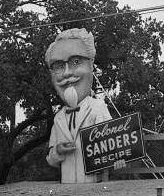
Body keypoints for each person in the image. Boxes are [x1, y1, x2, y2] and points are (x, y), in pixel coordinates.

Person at [43, 28, 116, 183]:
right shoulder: (59, 118)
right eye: (58, 66)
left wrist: (117, 159)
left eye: (76, 62)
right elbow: (51, 159)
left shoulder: (98, 108)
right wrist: (58, 151)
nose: (67, 73)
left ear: (91, 66)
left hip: (94, 188)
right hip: (67, 189)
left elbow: (114, 148)